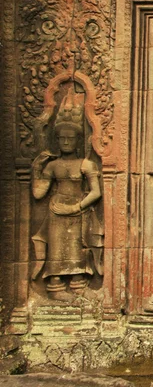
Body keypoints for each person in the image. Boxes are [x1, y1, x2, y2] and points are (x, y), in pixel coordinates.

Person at [31, 87, 103, 301]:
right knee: (56, 250)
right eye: (61, 138)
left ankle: (78, 283)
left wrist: (77, 207)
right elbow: (38, 194)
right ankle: (55, 285)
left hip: (77, 211)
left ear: (78, 141)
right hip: (56, 211)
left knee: (77, 249)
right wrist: (37, 168)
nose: (65, 142)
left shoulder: (86, 164)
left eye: (70, 139)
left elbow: (96, 192)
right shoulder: (53, 166)